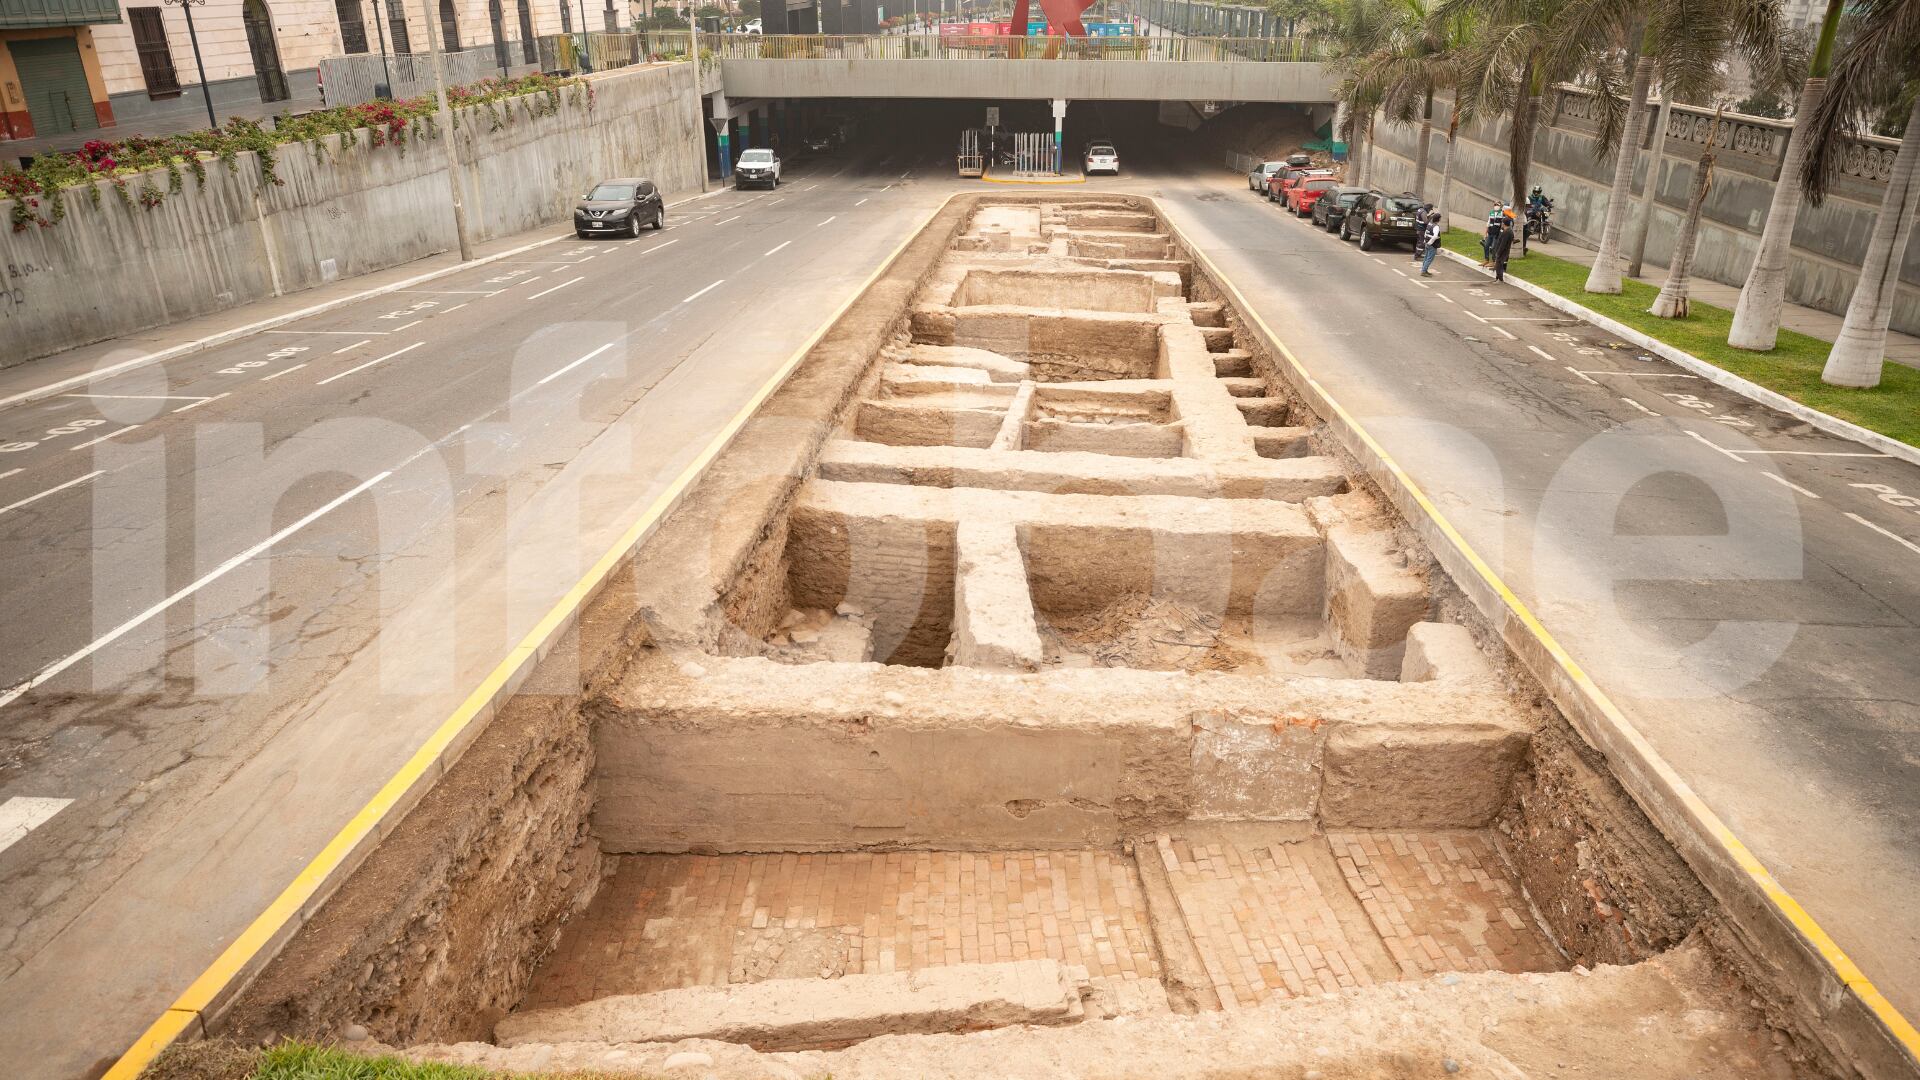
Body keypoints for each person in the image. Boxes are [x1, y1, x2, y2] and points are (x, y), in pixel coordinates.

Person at [1491, 216, 1515, 282]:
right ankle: (1497, 278)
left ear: (1504, 223)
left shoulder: (1507, 232)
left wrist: (1498, 253)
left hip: (1503, 251)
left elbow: (1503, 244)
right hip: (1503, 251)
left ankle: (1500, 280)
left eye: (1502, 222)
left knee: (1499, 265)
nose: (1501, 223)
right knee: (1498, 264)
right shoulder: (1508, 231)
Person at [1419, 210, 1443, 276]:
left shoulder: (1429, 224)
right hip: (1432, 245)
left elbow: (1426, 233)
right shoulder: (1436, 226)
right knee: (1429, 259)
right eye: (1440, 218)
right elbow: (1435, 236)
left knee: (1426, 258)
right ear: (1438, 219)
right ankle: (1423, 272)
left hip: (1427, 243)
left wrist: (1426, 241)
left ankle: (1424, 270)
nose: (1441, 219)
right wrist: (1430, 242)